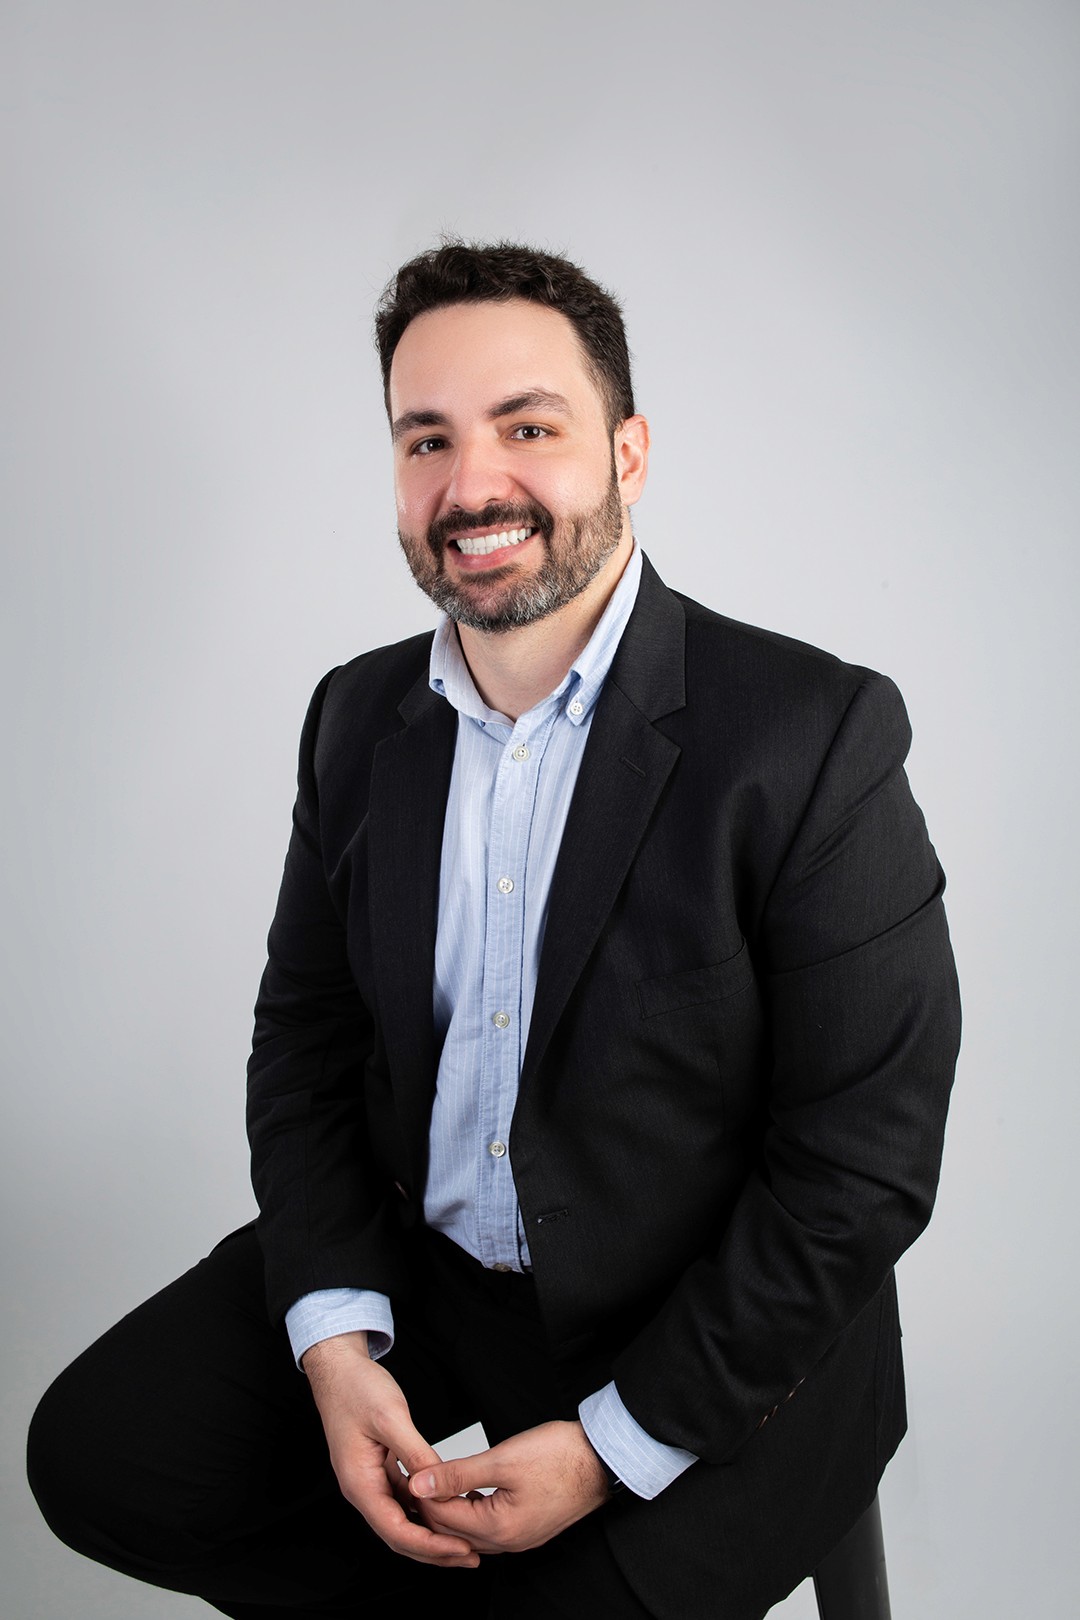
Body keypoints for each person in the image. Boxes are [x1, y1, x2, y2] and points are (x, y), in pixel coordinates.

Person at [28, 241, 961, 1620]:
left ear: (628, 454)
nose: (471, 488)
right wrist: (338, 1340)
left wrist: (607, 1448)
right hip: (445, 1272)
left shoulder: (810, 735)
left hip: (717, 1323)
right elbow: (305, 1045)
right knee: (97, 1455)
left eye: (528, 427)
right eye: (427, 441)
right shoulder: (356, 721)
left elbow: (862, 1166)